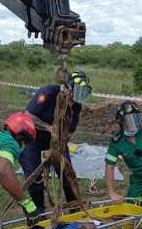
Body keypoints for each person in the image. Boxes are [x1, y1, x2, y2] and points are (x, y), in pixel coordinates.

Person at [20, 71, 92, 210]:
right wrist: (49, 128)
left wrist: (54, 148)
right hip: (32, 138)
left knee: (67, 173)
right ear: (66, 88)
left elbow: (69, 133)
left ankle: (74, 206)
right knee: (34, 176)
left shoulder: (76, 105)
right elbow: (28, 117)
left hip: (57, 141)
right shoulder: (48, 94)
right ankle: (38, 210)